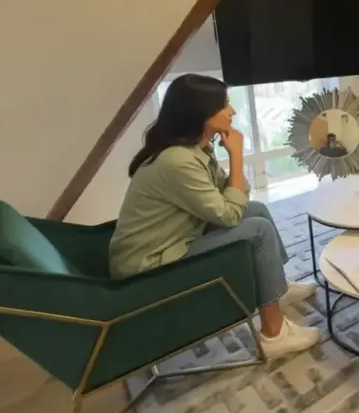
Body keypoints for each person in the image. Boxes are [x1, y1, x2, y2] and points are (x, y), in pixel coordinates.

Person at [108, 74, 320, 359]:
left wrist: (233, 164)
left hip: (173, 241)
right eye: (225, 106)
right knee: (257, 229)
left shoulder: (194, 150)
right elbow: (230, 214)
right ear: (201, 114)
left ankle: (276, 287)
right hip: (151, 264)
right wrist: (236, 157)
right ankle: (274, 333)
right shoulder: (178, 161)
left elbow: (234, 195)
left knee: (256, 209)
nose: (232, 111)